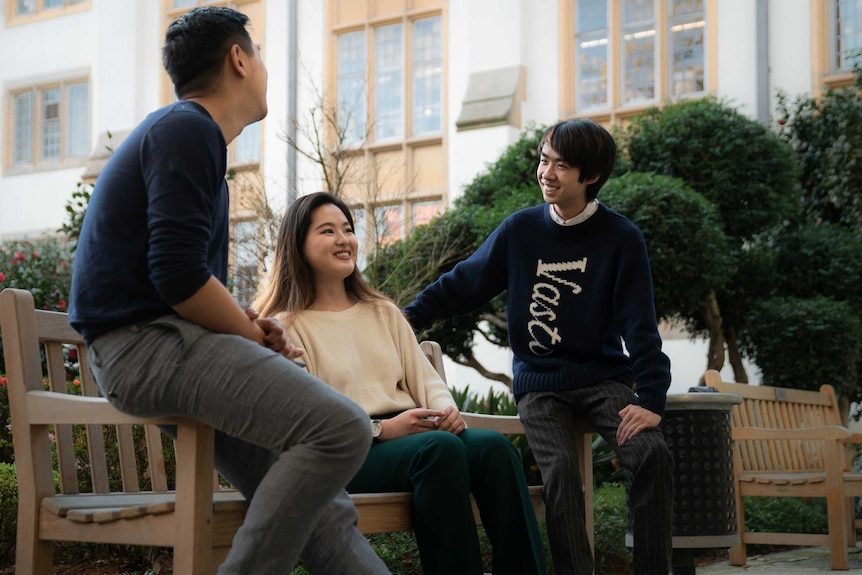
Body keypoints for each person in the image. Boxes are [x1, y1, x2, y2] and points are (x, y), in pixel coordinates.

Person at [68, 7, 389, 574]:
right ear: (238, 59)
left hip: (159, 344)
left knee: (322, 507)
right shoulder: (188, 129)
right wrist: (253, 333)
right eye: (258, 52)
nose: (262, 65)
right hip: (147, 348)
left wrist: (247, 323)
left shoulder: (186, 135)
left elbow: (176, 277)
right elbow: (178, 277)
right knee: (339, 428)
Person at [403, 118, 674, 575]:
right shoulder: (520, 231)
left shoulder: (621, 238)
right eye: (544, 160)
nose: (547, 173)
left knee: (651, 453)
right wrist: (404, 321)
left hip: (603, 377)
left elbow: (640, 325)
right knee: (561, 475)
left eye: (562, 166)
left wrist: (651, 400)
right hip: (540, 384)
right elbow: (463, 283)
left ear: (590, 177)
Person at [253, 192, 546, 575]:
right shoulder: (286, 326)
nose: (344, 240)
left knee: (494, 448)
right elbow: (308, 422)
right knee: (438, 450)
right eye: (328, 231)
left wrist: (447, 412)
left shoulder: (382, 312)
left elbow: (425, 380)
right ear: (297, 244)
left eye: (348, 229)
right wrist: (381, 430)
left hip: (415, 435)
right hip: (344, 453)